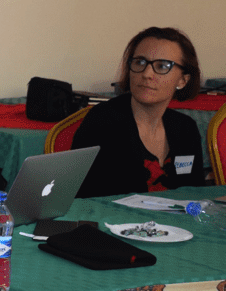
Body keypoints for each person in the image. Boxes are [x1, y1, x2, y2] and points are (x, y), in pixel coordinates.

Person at [72, 26, 205, 198]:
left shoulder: (186, 129)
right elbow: (85, 199)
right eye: (140, 62)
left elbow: (196, 194)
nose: (147, 73)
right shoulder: (102, 122)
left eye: (162, 66)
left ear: (183, 80)